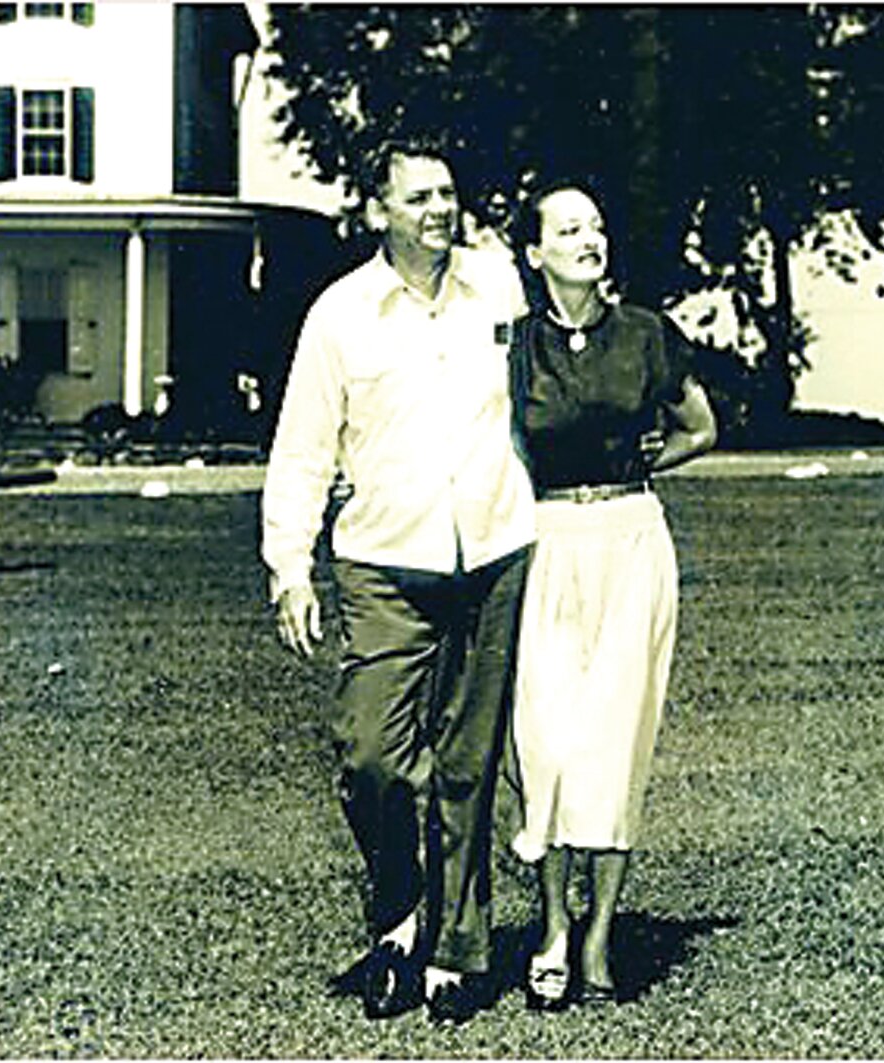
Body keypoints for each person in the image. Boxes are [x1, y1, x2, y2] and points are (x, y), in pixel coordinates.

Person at [260, 136, 536, 1026]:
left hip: (493, 551)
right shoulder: (340, 316)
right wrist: (289, 570)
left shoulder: (496, 286)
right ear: (379, 211)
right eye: (418, 197)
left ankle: (455, 952)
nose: (439, 210)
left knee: (467, 764)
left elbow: (544, 391)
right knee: (373, 756)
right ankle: (399, 917)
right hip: (383, 561)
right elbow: (302, 450)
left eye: (448, 194)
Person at [506, 181, 717, 1011]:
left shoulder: (647, 335)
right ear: (536, 253)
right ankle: (552, 926)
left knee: (616, 739)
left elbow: (701, 426)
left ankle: (598, 938)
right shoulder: (515, 345)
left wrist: (641, 468)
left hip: (632, 541)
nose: (589, 238)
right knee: (549, 742)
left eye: (596, 224)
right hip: (548, 542)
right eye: (568, 229)